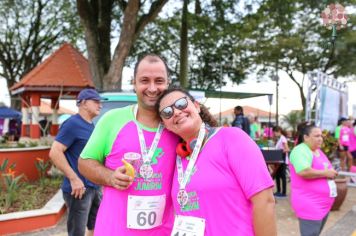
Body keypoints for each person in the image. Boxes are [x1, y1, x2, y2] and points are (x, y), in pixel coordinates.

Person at [78, 54, 179, 235]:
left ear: (168, 83)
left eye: (159, 81)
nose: (152, 88)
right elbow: (85, 162)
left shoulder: (176, 125)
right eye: (144, 80)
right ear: (134, 83)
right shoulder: (113, 120)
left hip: (164, 231)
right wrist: (110, 177)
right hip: (115, 230)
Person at [156, 87, 277, 236]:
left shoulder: (232, 138)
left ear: (196, 106)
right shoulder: (178, 158)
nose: (176, 111)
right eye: (167, 112)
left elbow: (264, 201)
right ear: (165, 125)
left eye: (181, 103)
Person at [49, 88, 105, 236]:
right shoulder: (72, 124)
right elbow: (55, 152)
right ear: (84, 103)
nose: (100, 105)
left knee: (95, 226)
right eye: (96, 102)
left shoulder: (91, 125)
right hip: (79, 190)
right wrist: (74, 179)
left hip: (94, 187)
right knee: (77, 232)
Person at [289, 123, 338, 236]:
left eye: (321, 136)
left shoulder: (317, 151)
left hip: (323, 205)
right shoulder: (300, 150)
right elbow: (303, 171)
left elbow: (327, 169)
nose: (320, 139)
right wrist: (326, 173)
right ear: (306, 137)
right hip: (310, 203)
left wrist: (330, 173)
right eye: (316, 136)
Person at [272, 126, 290, 198]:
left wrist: (279, 152)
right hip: (278, 160)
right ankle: (278, 191)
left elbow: (287, 149)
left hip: (282, 160)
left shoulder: (283, 139)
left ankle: (283, 192)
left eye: (275, 132)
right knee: (277, 176)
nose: (274, 134)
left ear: (279, 131)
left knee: (282, 176)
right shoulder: (280, 139)